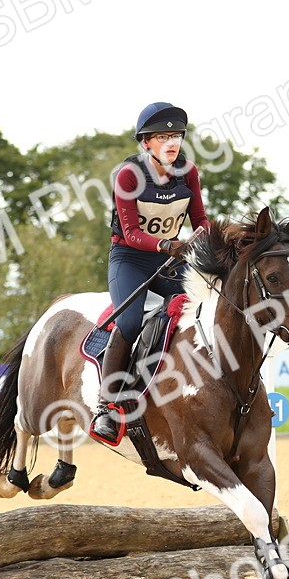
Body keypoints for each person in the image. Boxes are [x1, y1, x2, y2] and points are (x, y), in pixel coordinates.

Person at [89, 102, 209, 445]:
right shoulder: (128, 175)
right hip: (130, 258)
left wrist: (208, 237)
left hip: (171, 258)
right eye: (162, 137)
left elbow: (200, 220)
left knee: (204, 305)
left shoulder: (188, 172)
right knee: (128, 321)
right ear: (145, 143)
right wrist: (166, 245)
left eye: (176, 136)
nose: (172, 142)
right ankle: (107, 407)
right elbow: (130, 235)